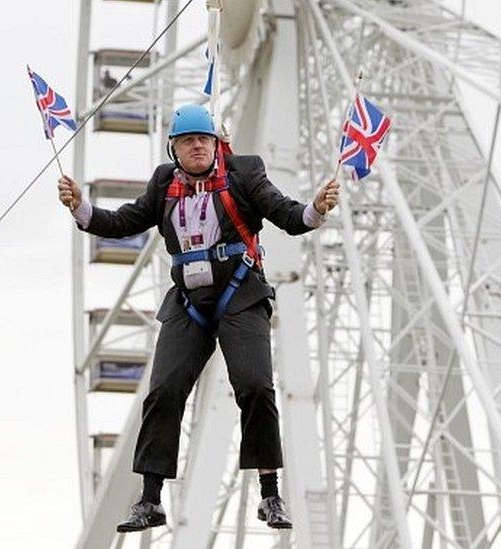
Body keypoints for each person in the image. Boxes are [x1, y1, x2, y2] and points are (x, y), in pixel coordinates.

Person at [57, 103, 340, 533]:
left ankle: (270, 493)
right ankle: (150, 500)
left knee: (255, 386)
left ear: (217, 144)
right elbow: (123, 222)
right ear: (174, 149)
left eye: (204, 140)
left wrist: (315, 209)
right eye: (188, 141)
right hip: (189, 300)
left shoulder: (245, 173)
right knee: (164, 391)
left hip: (240, 295)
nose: (197, 147)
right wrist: (81, 207)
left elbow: (285, 214)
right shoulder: (163, 184)